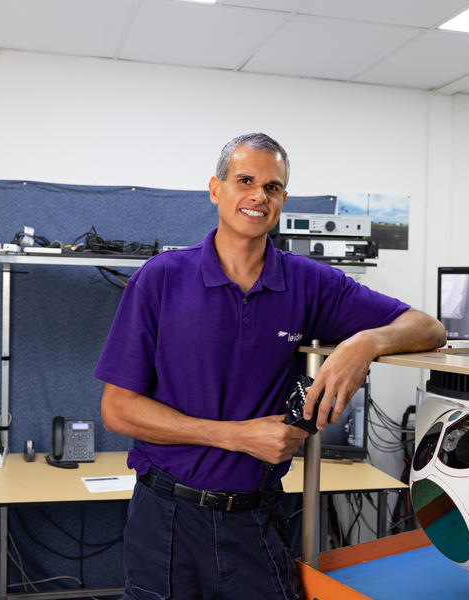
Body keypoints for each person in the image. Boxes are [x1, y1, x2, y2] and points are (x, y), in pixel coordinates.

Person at [94, 133, 446, 600]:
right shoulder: (159, 279)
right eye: (245, 180)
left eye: (274, 187)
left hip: (254, 517)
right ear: (216, 189)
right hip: (166, 520)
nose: (259, 196)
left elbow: (428, 327)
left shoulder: (309, 283)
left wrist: (364, 343)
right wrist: (236, 435)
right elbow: (118, 410)